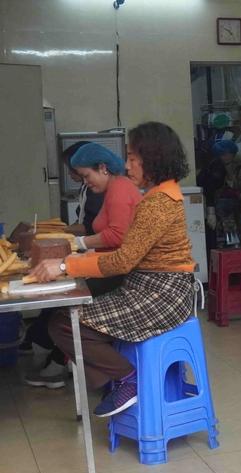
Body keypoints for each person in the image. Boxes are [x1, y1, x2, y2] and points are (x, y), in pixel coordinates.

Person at [31, 121, 195, 417]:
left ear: (153, 159)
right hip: (149, 287)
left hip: (163, 294)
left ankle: (127, 378)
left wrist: (66, 264)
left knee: (65, 323)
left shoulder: (158, 202)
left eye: (133, 158)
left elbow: (122, 260)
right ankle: (117, 378)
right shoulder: (159, 195)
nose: (128, 166)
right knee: (70, 318)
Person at [24, 143, 142, 389]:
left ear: (103, 168)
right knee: (62, 305)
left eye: (86, 176)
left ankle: (123, 378)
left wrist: (76, 242)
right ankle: (105, 380)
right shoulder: (113, 189)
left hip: (119, 271)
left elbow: (117, 236)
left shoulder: (120, 188)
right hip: (107, 264)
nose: (85, 182)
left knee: (65, 314)